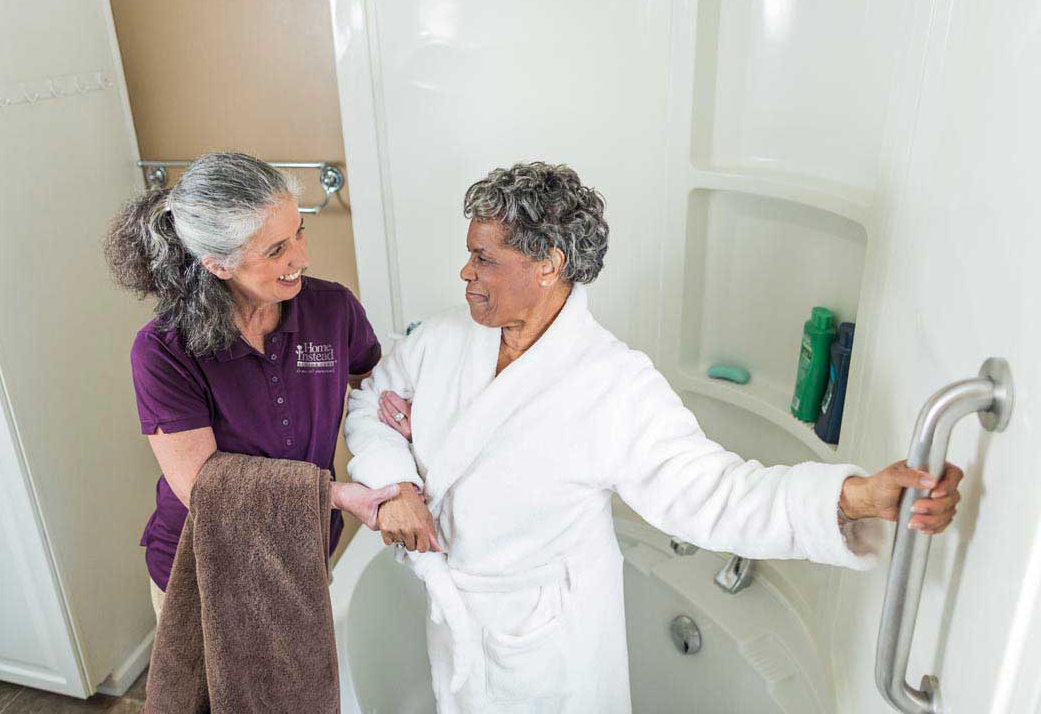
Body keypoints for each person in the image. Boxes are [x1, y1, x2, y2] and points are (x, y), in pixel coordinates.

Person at [344, 162, 964, 713]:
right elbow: (370, 403)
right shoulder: (444, 339)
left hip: (541, 647)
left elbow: (715, 494)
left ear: (548, 264)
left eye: (484, 258)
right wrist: (396, 483)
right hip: (456, 620)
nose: (465, 271)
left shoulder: (612, 384)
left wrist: (855, 497)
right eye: (470, 254)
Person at [104, 152, 404, 617]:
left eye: (298, 232)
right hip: (204, 571)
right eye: (275, 250)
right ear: (218, 264)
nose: (300, 258)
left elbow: (370, 380)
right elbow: (202, 484)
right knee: (212, 694)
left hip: (302, 552)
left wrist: (391, 404)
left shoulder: (331, 309)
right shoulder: (163, 350)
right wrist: (336, 495)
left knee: (298, 690)